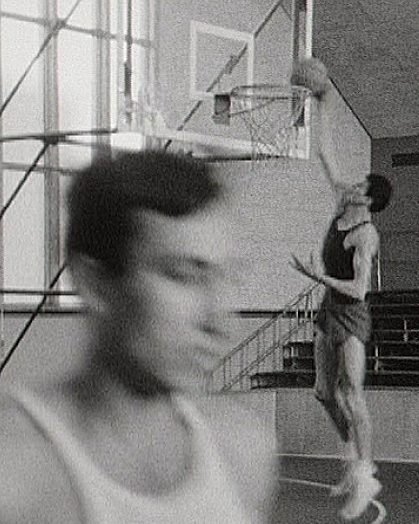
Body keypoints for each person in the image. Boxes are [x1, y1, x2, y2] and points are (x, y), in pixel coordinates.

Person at [0, 151, 278, 523]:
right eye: (183, 275)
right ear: (95, 284)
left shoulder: (242, 450)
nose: (220, 320)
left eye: (228, 277)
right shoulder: (15, 469)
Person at [291, 85, 392, 520]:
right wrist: (323, 104)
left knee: (352, 394)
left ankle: (365, 475)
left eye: (362, 186)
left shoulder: (366, 236)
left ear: (368, 200)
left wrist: (318, 276)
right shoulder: (340, 203)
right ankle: (349, 460)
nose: (354, 185)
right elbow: (326, 155)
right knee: (322, 393)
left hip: (351, 312)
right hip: (328, 306)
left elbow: (359, 290)